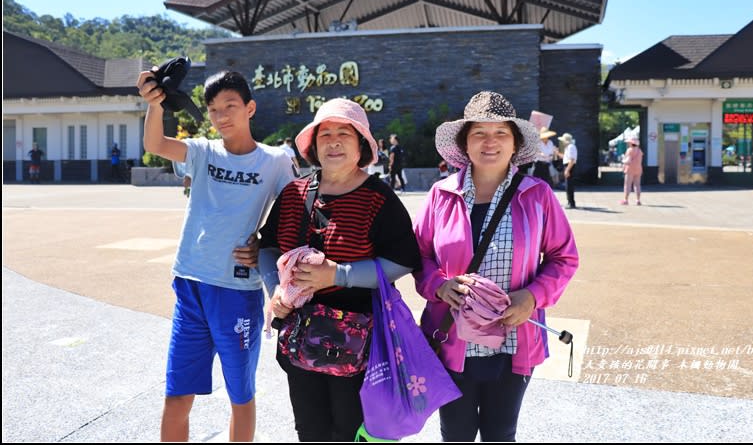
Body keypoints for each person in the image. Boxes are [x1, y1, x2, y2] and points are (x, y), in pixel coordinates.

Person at [137, 69, 296, 442]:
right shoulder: (202, 152)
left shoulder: (274, 161)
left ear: (250, 108)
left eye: (230, 106)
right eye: (213, 109)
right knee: (177, 396)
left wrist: (262, 242)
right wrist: (155, 104)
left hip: (237, 293)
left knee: (241, 395)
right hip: (191, 286)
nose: (222, 116)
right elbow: (155, 143)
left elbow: (293, 217)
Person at [412, 91, 579, 442]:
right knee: (455, 433)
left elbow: (564, 257)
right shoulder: (441, 195)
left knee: (501, 433)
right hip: (451, 338)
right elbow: (418, 255)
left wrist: (532, 297)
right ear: (465, 143)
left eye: (501, 132)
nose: (490, 142)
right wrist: (439, 285)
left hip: (514, 340)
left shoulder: (538, 195)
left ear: (515, 142)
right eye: (479, 133)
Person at [259, 98, 421, 441]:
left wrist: (338, 275)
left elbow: (403, 259)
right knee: (310, 430)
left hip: (358, 344)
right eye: (325, 134)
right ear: (313, 145)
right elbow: (268, 245)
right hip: (299, 338)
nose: (333, 141)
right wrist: (275, 288)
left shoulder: (378, 197)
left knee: (351, 430)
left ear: (361, 143)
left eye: (344, 133)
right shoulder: (293, 193)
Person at [621, 136, 644, 205]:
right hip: (638, 169)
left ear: (631, 143)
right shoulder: (640, 151)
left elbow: (628, 160)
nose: (628, 144)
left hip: (630, 169)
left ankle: (626, 200)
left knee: (627, 185)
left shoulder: (629, 150)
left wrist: (623, 160)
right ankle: (638, 200)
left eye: (629, 142)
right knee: (637, 185)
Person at [560, 132, 578, 209]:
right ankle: (569, 201)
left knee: (569, 186)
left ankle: (571, 203)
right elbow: (565, 157)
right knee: (568, 186)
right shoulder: (568, 147)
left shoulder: (571, 147)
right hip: (568, 166)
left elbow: (572, 160)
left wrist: (567, 170)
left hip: (570, 167)